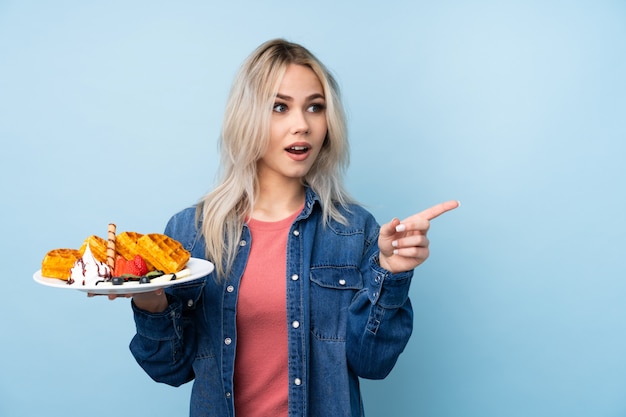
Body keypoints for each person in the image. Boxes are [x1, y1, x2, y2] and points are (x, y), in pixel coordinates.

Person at [126, 39, 459, 417]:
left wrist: (391, 274)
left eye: (315, 107)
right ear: (247, 116)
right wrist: (150, 299)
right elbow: (168, 369)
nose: (301, 125)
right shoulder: (192, 232)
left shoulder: (354, 232)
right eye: (279, 107)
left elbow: (373, 364)